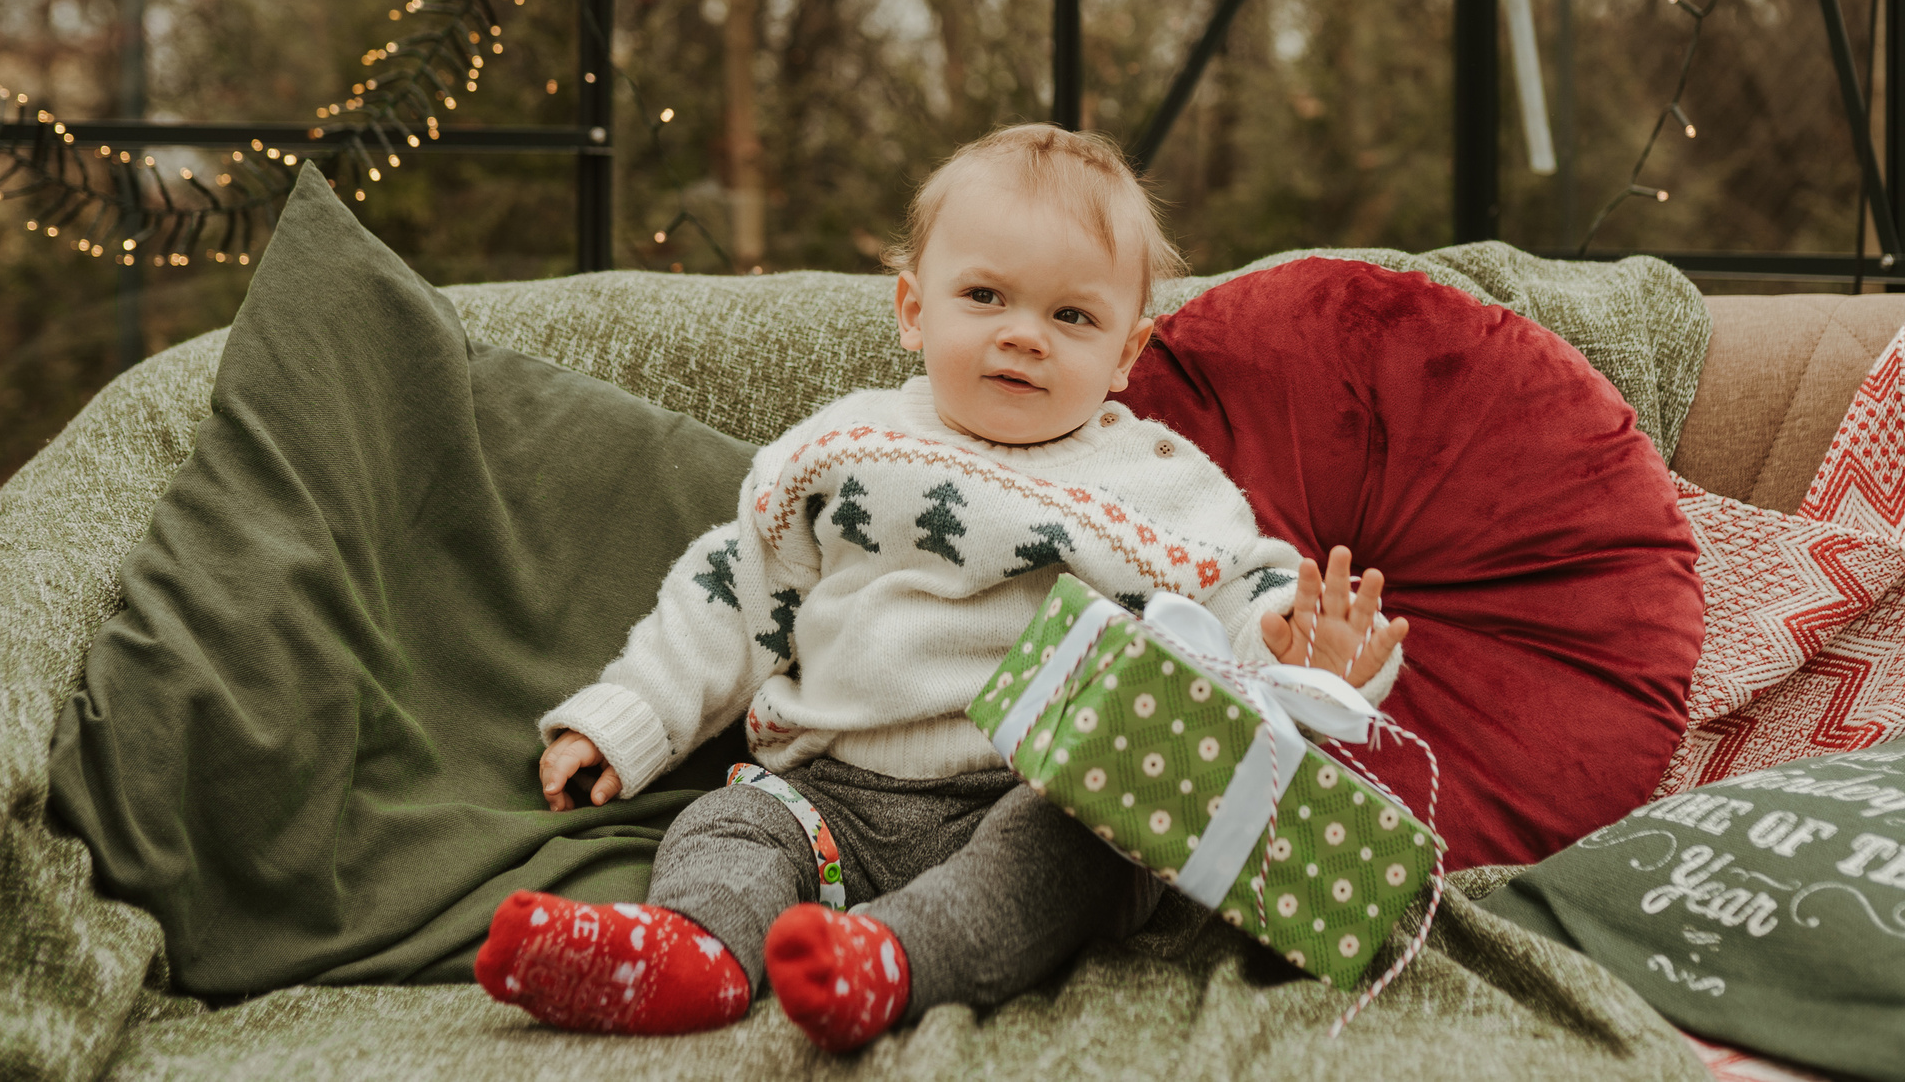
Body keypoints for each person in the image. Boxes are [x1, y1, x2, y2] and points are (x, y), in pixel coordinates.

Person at [475, 124, 1410, 1050]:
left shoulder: (1166, 484)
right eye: (985, 295)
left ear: (1128, 352)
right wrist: (632, 713)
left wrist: (1309, 650)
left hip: (1042, 789)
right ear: (914, 310)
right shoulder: (846, 446)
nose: (1023, 335)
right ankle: (693, 952)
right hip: (831, 797)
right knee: (728, 821)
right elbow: (733, 590)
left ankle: (889, 959)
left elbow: (1244, 611)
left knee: (1078, 846)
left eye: (1072, 316)